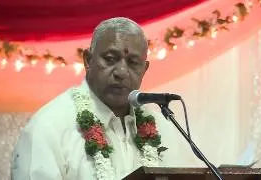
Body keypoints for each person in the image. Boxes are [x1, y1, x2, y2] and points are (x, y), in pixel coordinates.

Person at [11, 17, 200, 180]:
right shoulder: (49, 127)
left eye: (133, 62)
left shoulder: (163, 130)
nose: (121, 72)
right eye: (110, 59)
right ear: (88, 60)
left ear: (145, 69)